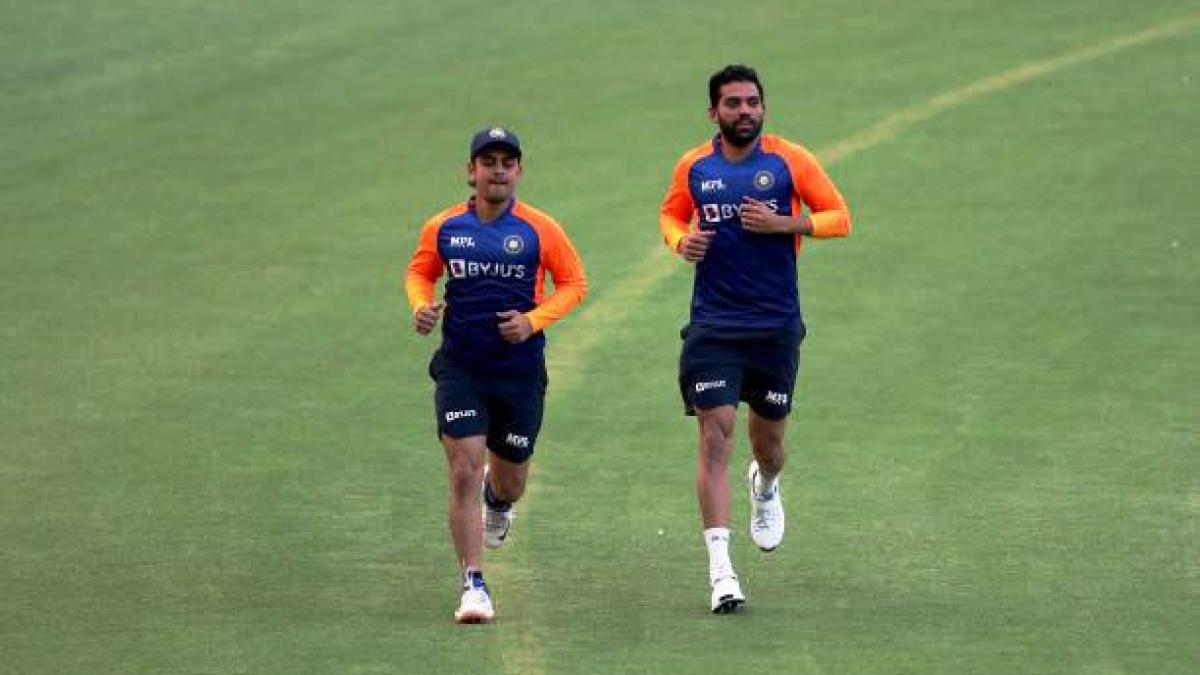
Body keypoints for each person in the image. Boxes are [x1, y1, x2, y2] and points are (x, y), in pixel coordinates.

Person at [658, 65, 851, 613]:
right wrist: (681, 241)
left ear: (763, 109)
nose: (744, 111)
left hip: (775, 327)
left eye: (752, 103)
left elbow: (840, 216)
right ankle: (721, 571)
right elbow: (671, 215)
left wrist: (785, 225)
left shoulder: (789, 160)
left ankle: (764, 485)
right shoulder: (694, 166)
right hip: (714, 326)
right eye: (733, 103)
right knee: (714, 436)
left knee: (769, 446)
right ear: (713, 113)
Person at [406, 126, 587, 623]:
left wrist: (532, 322)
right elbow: (420, 272)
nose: (499, 169)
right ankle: (473, 584)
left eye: (508, 161)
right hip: (462, 367)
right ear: (471, 171)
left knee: (510, 480)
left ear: (519, 171)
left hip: (519, 373)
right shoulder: (443, 227)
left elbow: (573, 284)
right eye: (489, 161)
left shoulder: (540, 229)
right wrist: (422, 306)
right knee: (463, 467)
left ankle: (497, 500)